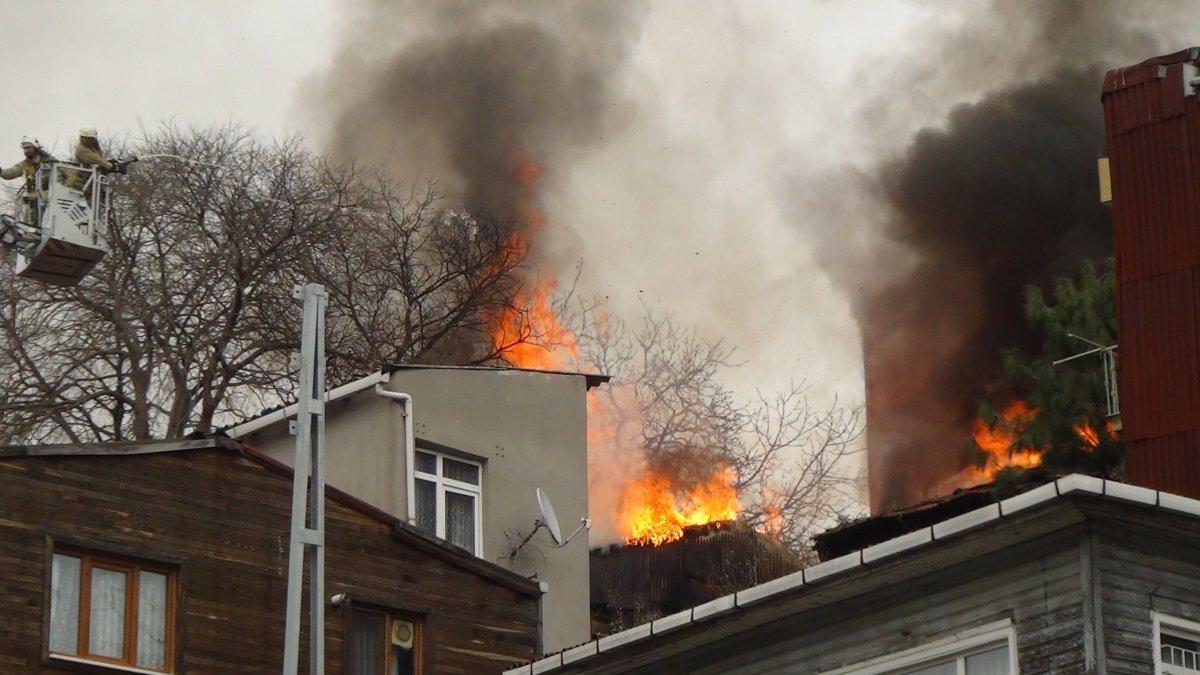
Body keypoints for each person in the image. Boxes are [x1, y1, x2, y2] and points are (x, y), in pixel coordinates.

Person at [1, 137, 51, 226]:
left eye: (28, 148)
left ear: (35, 147)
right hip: (34, 202)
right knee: (34, 225)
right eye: (24, 149)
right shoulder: (25, 164)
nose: (26, 151)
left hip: (50, 200)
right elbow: (11, 172)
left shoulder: (50, 161)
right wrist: (1, 172)